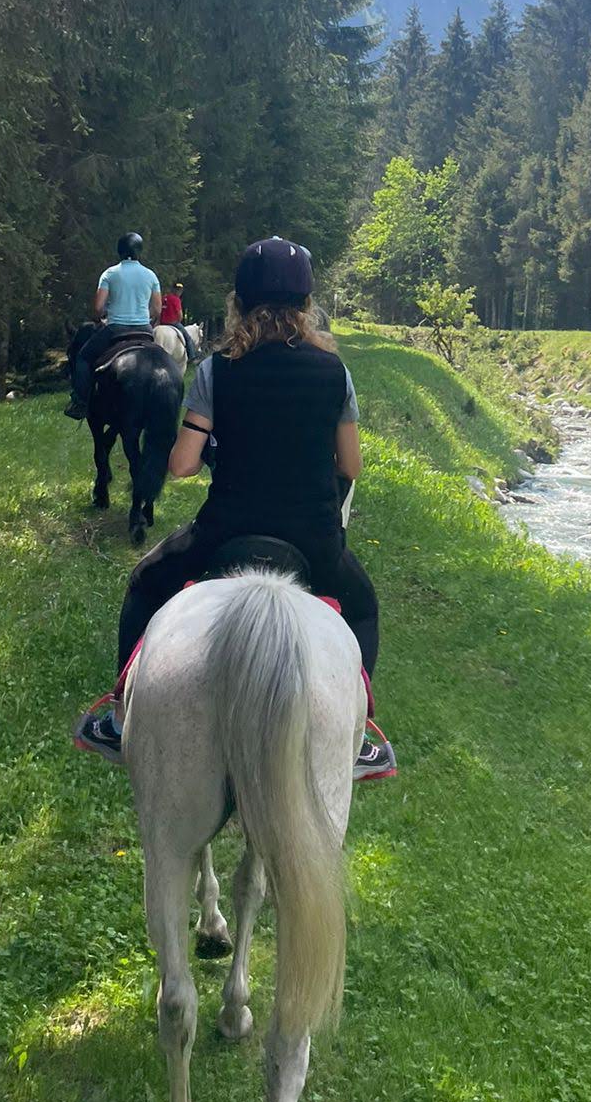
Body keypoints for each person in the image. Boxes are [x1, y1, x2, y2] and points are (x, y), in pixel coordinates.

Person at [75, 236, 395, 781]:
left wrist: (213, 446)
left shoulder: (216, 370)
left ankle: (122, 715)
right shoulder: (333, 372)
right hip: (313, 539)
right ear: (305, 302)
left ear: (239, 302)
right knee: (362, 608)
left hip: (226, 530)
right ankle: (360, 733)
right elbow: (352, 465)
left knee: (146, 582)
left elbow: (181, 466)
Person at [64, 231, 162, 420]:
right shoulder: (150, 275)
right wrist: (143, 317)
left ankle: (80, 403)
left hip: (116, 329)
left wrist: (102, 317)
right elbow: (157, 308)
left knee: (83, 358)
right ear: (139, 251)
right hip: (144, 331)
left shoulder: (110, 274)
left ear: (120, 251)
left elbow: (99, 307)